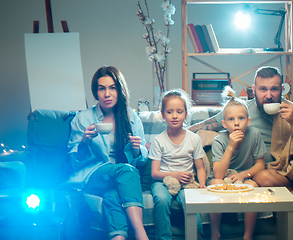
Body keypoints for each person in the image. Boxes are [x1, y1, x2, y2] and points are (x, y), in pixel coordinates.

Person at [190, 66, 293, 240]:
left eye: (274, 89)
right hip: (270, 173)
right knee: (262, 177)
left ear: (281, 90)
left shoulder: (292, 111)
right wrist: (174, 133)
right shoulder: (242, 111)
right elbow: (207, 125)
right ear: (254, 90)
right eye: (263, 89)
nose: (268, 95)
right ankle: (290, 191)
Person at [67, 66, 149, 240]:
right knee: (125, 170)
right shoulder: (83, 119)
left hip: (119, 179)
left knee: (112, 195)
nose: (107, 94)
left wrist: (137, 150)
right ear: (96, 92)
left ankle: (118, 237)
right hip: (92, 175)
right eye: (101, 88)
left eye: (112, 87)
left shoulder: (131, 118)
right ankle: (142, 235)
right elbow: (74, 162)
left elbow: (141, 162)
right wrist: (84, 141)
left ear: (120, 90)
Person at [207, 86, 266, 240]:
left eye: (241, 118)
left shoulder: (254, 134)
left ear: (248, 121)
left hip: (244, 177)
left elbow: (260, 165)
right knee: (214, 183)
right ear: (224, 124)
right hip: (223, 177)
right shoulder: (219, 140)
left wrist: (242, 175)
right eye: (231, 119)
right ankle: (215, 233)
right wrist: (231, 146)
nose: (237, 123)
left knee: (253, 186)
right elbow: (217, 173)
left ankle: (247, 236)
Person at [148, 89, 206, 240]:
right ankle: (163, 237)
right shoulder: (158, 140)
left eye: (179, 111)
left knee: (190, 200)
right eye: (169, 112)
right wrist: (174, 175)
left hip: (187, 182)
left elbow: (200, 167)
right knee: (161, 199)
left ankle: (196, 235)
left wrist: (203, 184)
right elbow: (154, 173)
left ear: (186, 114)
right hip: (162, 181)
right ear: (163, 114)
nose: (174, 116)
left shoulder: (194, 139)